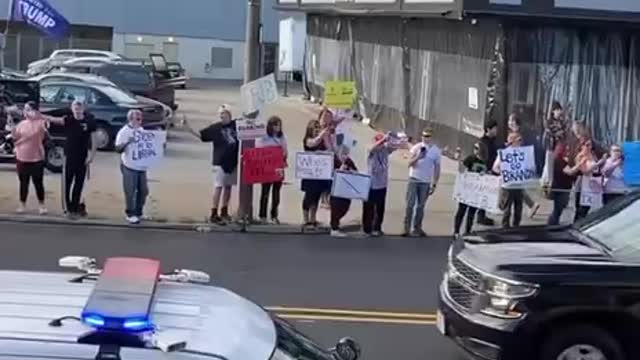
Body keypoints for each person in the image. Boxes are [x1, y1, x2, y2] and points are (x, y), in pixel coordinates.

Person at [184, 104, 239, 224]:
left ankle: (224, 210)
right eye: (220, 115)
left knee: (228, 187)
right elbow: (202, 135)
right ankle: (214, 212)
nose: (222, 118)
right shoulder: (216, 128)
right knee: (218, 186)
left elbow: (248, 126)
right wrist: (188, 128)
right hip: (219, 162)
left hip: (233, 162)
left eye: (224, 115)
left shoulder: (236, 126)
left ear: (229, 115)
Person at [47, 100, 97, 218]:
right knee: (67, 183)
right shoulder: (68, 120)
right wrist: (40, 116)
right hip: (69, 156)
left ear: (83, 108)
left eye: (79, 107)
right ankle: (67, 208)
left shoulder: (90, 121)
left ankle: (76, 207)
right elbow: (53, 119)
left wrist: (92, 156)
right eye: (75, 107)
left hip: (83, 157)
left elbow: (94, 140)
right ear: (72, 108)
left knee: (79, 183)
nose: (77, 109)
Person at [10, 101, 48, 214]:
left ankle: (41, 205)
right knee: (23, 183)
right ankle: (22, 204)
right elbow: (15, 137)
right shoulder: (21, 124)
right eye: (25, 109)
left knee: (38, 183)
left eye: (28, 109)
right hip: (22, 157)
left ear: (35, 111)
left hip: (36, 158)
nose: (25, 112)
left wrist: (38, 116)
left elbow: (42, 129)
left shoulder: (41, 122)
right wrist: (12, 129)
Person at [403, 127, 441, 237]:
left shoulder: (435, 151)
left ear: (431, 137)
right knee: (410, 204)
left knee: (420, 206)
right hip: (414, 179)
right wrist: (418, 157)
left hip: (425, 181)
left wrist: (434, 183)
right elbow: (409, 163)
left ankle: (417, 228)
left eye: (427, 136)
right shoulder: (416, 148)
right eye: (423, 136)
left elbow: (437, 168)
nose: (425, 138)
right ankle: (406, 228)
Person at [362, 132, 400, 236]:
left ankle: (377, 228)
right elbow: (372, 148)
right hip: (371, 183)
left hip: (382, 183)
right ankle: (367, 229)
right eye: (379, 142)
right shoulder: (371, 150)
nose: (381, 145)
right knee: (368, 207)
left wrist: (394, 139)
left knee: (380, 207)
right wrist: (382, 140)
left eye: (382, 144)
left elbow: (396, 146)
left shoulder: (385, 150)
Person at [115, 110, 149, 224]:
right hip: (129, 165)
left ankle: (139, 212)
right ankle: (130, 213)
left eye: (141, 119)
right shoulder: (124, 132)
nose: (140, 121)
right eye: (138, 119)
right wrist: (127, 143)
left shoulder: (141, 130)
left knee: (143, 190)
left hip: (141, 166)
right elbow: (117, 149)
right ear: (131, 119)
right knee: (130, 191)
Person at [507, 113, 541, 218]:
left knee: (516, 188)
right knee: (518, 188)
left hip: (516, 165)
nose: (508, 122)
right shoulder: (517, 133)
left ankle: (531, 205)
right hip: (517, 165)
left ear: (514, 123)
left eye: (510, 120)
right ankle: (531, 204)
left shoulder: (517, 135)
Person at [301, 119, 333, 229]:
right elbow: (312, 144)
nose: (316, 131)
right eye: (314, 129)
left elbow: (330, 150)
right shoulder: (307, 140)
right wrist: (321, 135)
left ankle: (313, 219)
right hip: (310, 174)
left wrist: (325, 137)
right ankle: (305, 219)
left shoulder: (322, 140)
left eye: (318, 129)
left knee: (317, 196)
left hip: (320, 174)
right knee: (309, 196)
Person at [256, 116, 288, 224]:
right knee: (265, 192)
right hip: (267, 168)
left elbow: (285, 150)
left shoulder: (282, 137)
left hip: (278, 167)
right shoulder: (264, 136)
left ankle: (274, 215)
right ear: (270, 126)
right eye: (275, 125)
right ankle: (262, 215)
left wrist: (282, 155)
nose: (277, 127)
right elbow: (259, 149)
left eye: (279, 125)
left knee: (276, 193)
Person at [453, 142, 488, 237]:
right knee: (461, 210)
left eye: (477, 148)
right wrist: (459, 160)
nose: (475, 150)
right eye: (474, 148)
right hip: (467, 189)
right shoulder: (470, 159)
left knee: (471, 212)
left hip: (477, 190)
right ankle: (456, 231)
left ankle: (467, 230)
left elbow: (487, 175)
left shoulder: (485, 162)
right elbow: (461, 170)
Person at [493, 132, 525, 228]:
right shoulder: (504, 154)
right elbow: (495, 167)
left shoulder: (522, 153)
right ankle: (505, 227)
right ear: (513, 142)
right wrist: (503, 172)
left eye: (520, 140)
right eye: (518, 140)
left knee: (518, 208)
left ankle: (516, 226)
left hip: (518, 185)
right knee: (507, 208)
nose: (520, 142)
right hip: (507, 185)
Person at [547, 143, 582, 226]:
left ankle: (554, 223)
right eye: (566, 150)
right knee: (558, 209)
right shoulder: (559, 161)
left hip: (564, 187)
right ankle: (552, 224)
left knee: (559, 208)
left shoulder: (562, 160)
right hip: (560, 188)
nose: (568, 152)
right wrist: (579, 165)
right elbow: (569, 172)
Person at [573, 138, 606, 222]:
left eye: (590, 145)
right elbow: (585, 171)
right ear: (582, 146)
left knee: (592, 205)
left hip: (594, 182)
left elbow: (597, 168)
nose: (588, 147)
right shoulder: (580, 156)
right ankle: (577, 222)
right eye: (586, 145)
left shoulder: (593, 155)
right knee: (582, 207)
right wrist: (599, 163)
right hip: (583, 183)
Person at [330, 145, 358, 237]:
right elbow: (330, 173)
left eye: (346, 154)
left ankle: (336, 223)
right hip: (336, 189)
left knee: (345, 208)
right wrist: (339, 170)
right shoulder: (333, 160)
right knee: (335, 208)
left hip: (346, 189)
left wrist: (350, 170)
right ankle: (334, 228)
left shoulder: (349, 161)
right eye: (342, 154)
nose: (344, 156)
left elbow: (356, 172)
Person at [477, 121, 498, 226]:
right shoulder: (483, 142)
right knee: (483, 194)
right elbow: (482, 157)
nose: (496, 130)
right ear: (488, 129)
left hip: (491, 170)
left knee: (486, 195)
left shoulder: (492, 141)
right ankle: (480, 216)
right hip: (485, 171)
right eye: (494, 128)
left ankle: (482, 215)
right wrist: (486, 170)